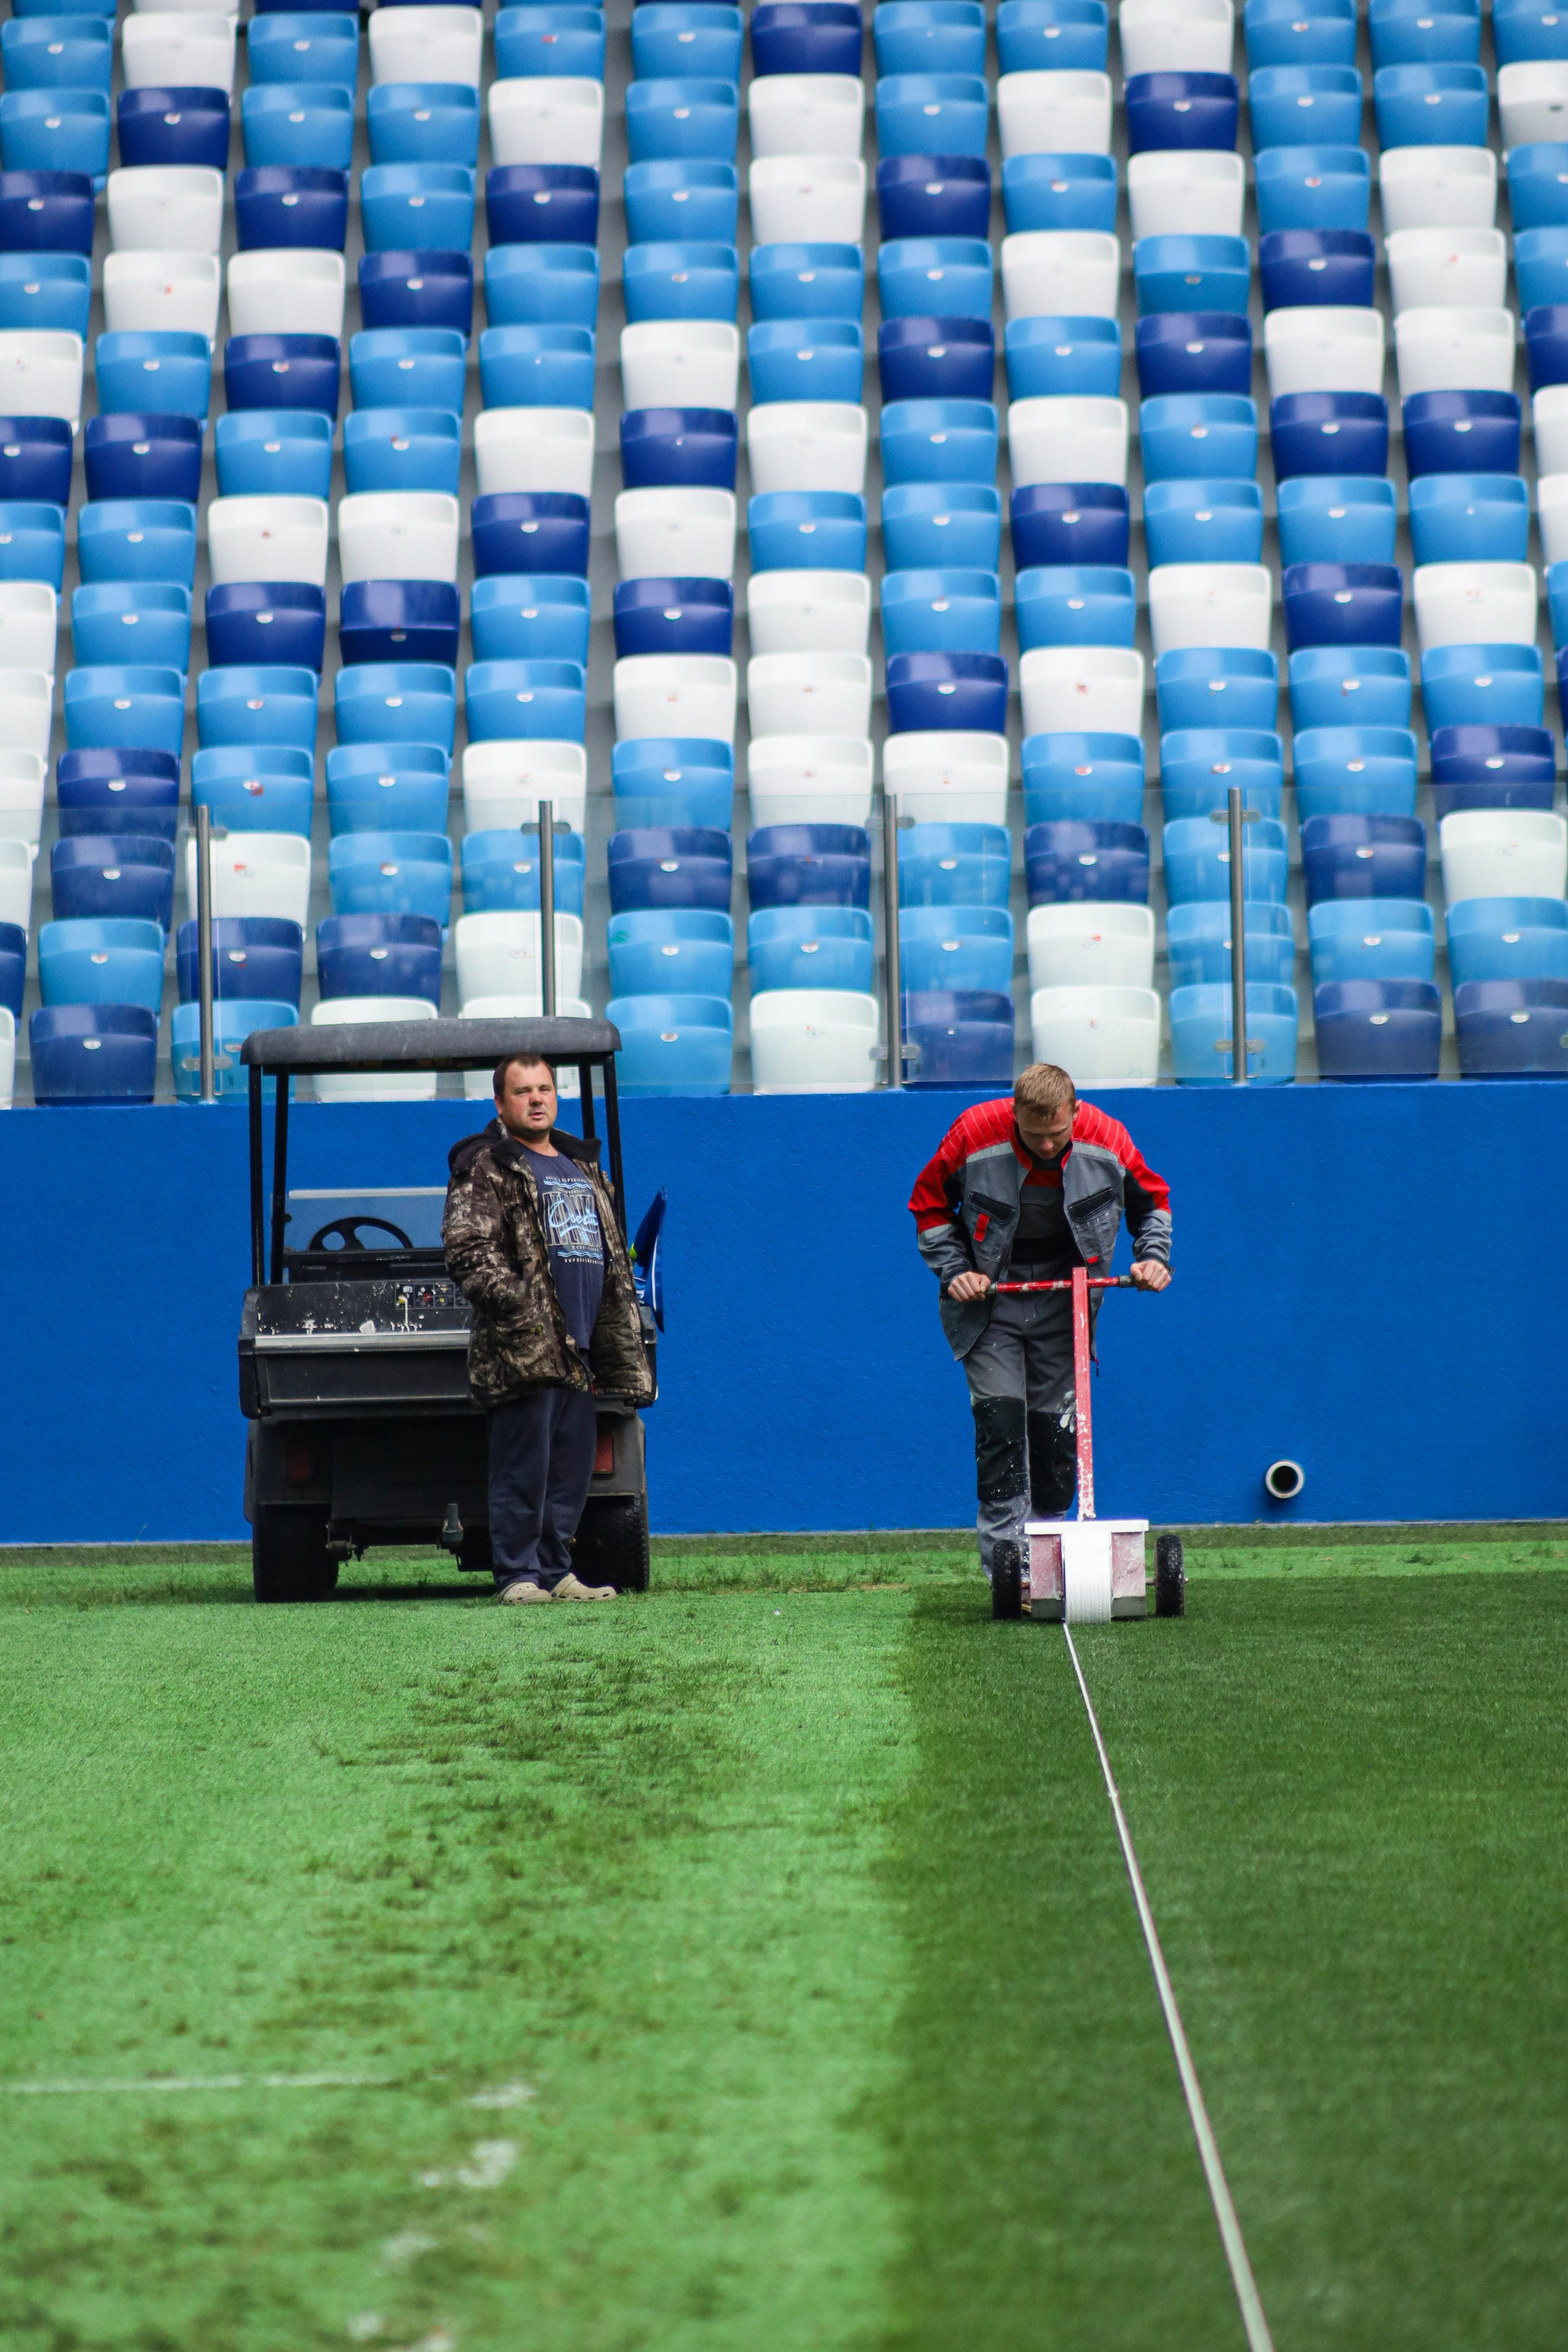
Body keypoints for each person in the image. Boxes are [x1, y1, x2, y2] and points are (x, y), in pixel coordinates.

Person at [908, 1061, 1172, 1583]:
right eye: (1034, 1134)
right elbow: (930, 1205)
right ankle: (1009, 1569)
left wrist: (1153, 1259)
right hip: (990, 1297)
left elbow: (1152, 1205)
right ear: (1013, 1115)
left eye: (1057, 1133)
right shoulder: (974, 1133)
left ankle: (1051, 1555)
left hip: (1067, 1295)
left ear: (1075, 1112)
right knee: (1001, 1425)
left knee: (1055, 1434)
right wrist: (956, 1270)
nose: (1048, 1145)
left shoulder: (1108, 1138)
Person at [443, 1054, 653, 1602]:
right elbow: (468, 1250)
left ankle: (556, 1571)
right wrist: (522, 1311)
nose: (536, 1099)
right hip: (524, 1349)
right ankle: (517, 1575)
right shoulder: (487, 1166)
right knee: (523, 1470)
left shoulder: (581, 1166)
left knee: (568, 1472)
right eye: (522, 1091)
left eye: (544, 1089)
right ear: (500, 1104)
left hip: (580, 1347)